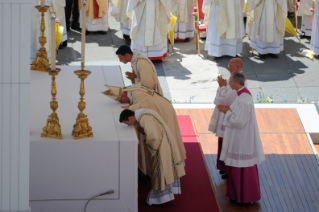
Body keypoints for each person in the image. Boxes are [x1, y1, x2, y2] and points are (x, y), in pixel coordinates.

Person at [119, 109, 185, 205]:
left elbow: (154, 137)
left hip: (161, 147)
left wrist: (147, 143)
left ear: (130, 117)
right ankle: (164, 197)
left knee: (160, 172)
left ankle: (160, 199)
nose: (129, 125)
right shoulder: (145, 112)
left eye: (127, 123)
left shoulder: (144, 118)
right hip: (166, 142)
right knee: (164, 171)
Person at [217, 72, 265, 204]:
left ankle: (243, 197)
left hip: (241, 139)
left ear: (237, 83)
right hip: (240, 137)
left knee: (239, 167)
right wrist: (228, 109)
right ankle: (237, 195)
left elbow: (239, 122)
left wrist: (227, 112)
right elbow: (235, 112)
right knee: (235, 167)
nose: (229, 83)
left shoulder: (244, 99)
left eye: (230, 82)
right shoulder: (241, 95)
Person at [208, 58, 246, 179]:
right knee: (223, 143)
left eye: (230, 66)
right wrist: (222, 86)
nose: (228, 68)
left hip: (230, 117)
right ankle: (224, 168)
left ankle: (228, 169)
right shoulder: (234, 78)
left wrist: (222, 87)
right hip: (226, 115)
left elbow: (223, 100)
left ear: (237, 67)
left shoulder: (239, 81)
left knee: (227, 144)